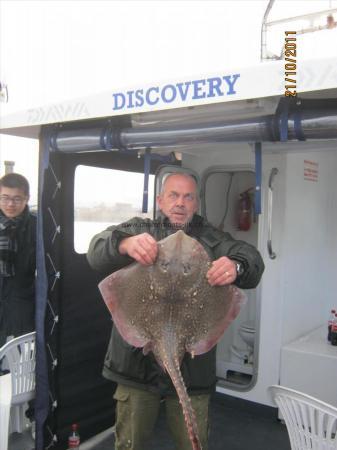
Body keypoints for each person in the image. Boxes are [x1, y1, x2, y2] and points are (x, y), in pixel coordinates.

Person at [87, 172, 264, 450]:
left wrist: (236, 265)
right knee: (130, 444)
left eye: (188, 196)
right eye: (174, 195)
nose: (180, 203)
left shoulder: (214, 240)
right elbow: (96, 250)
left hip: (192, 372)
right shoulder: (139, 230)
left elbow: (252, 260)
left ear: (196, 203)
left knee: (192, 443)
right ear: (160, 200)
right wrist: (124, 243)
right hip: (136, 368)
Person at [0, 173, 36, 348]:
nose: (10, 204)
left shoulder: (38, 226)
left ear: (26, 198)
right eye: (5, 198)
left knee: (25, 354)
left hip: (22, 298)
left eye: (16, 199)